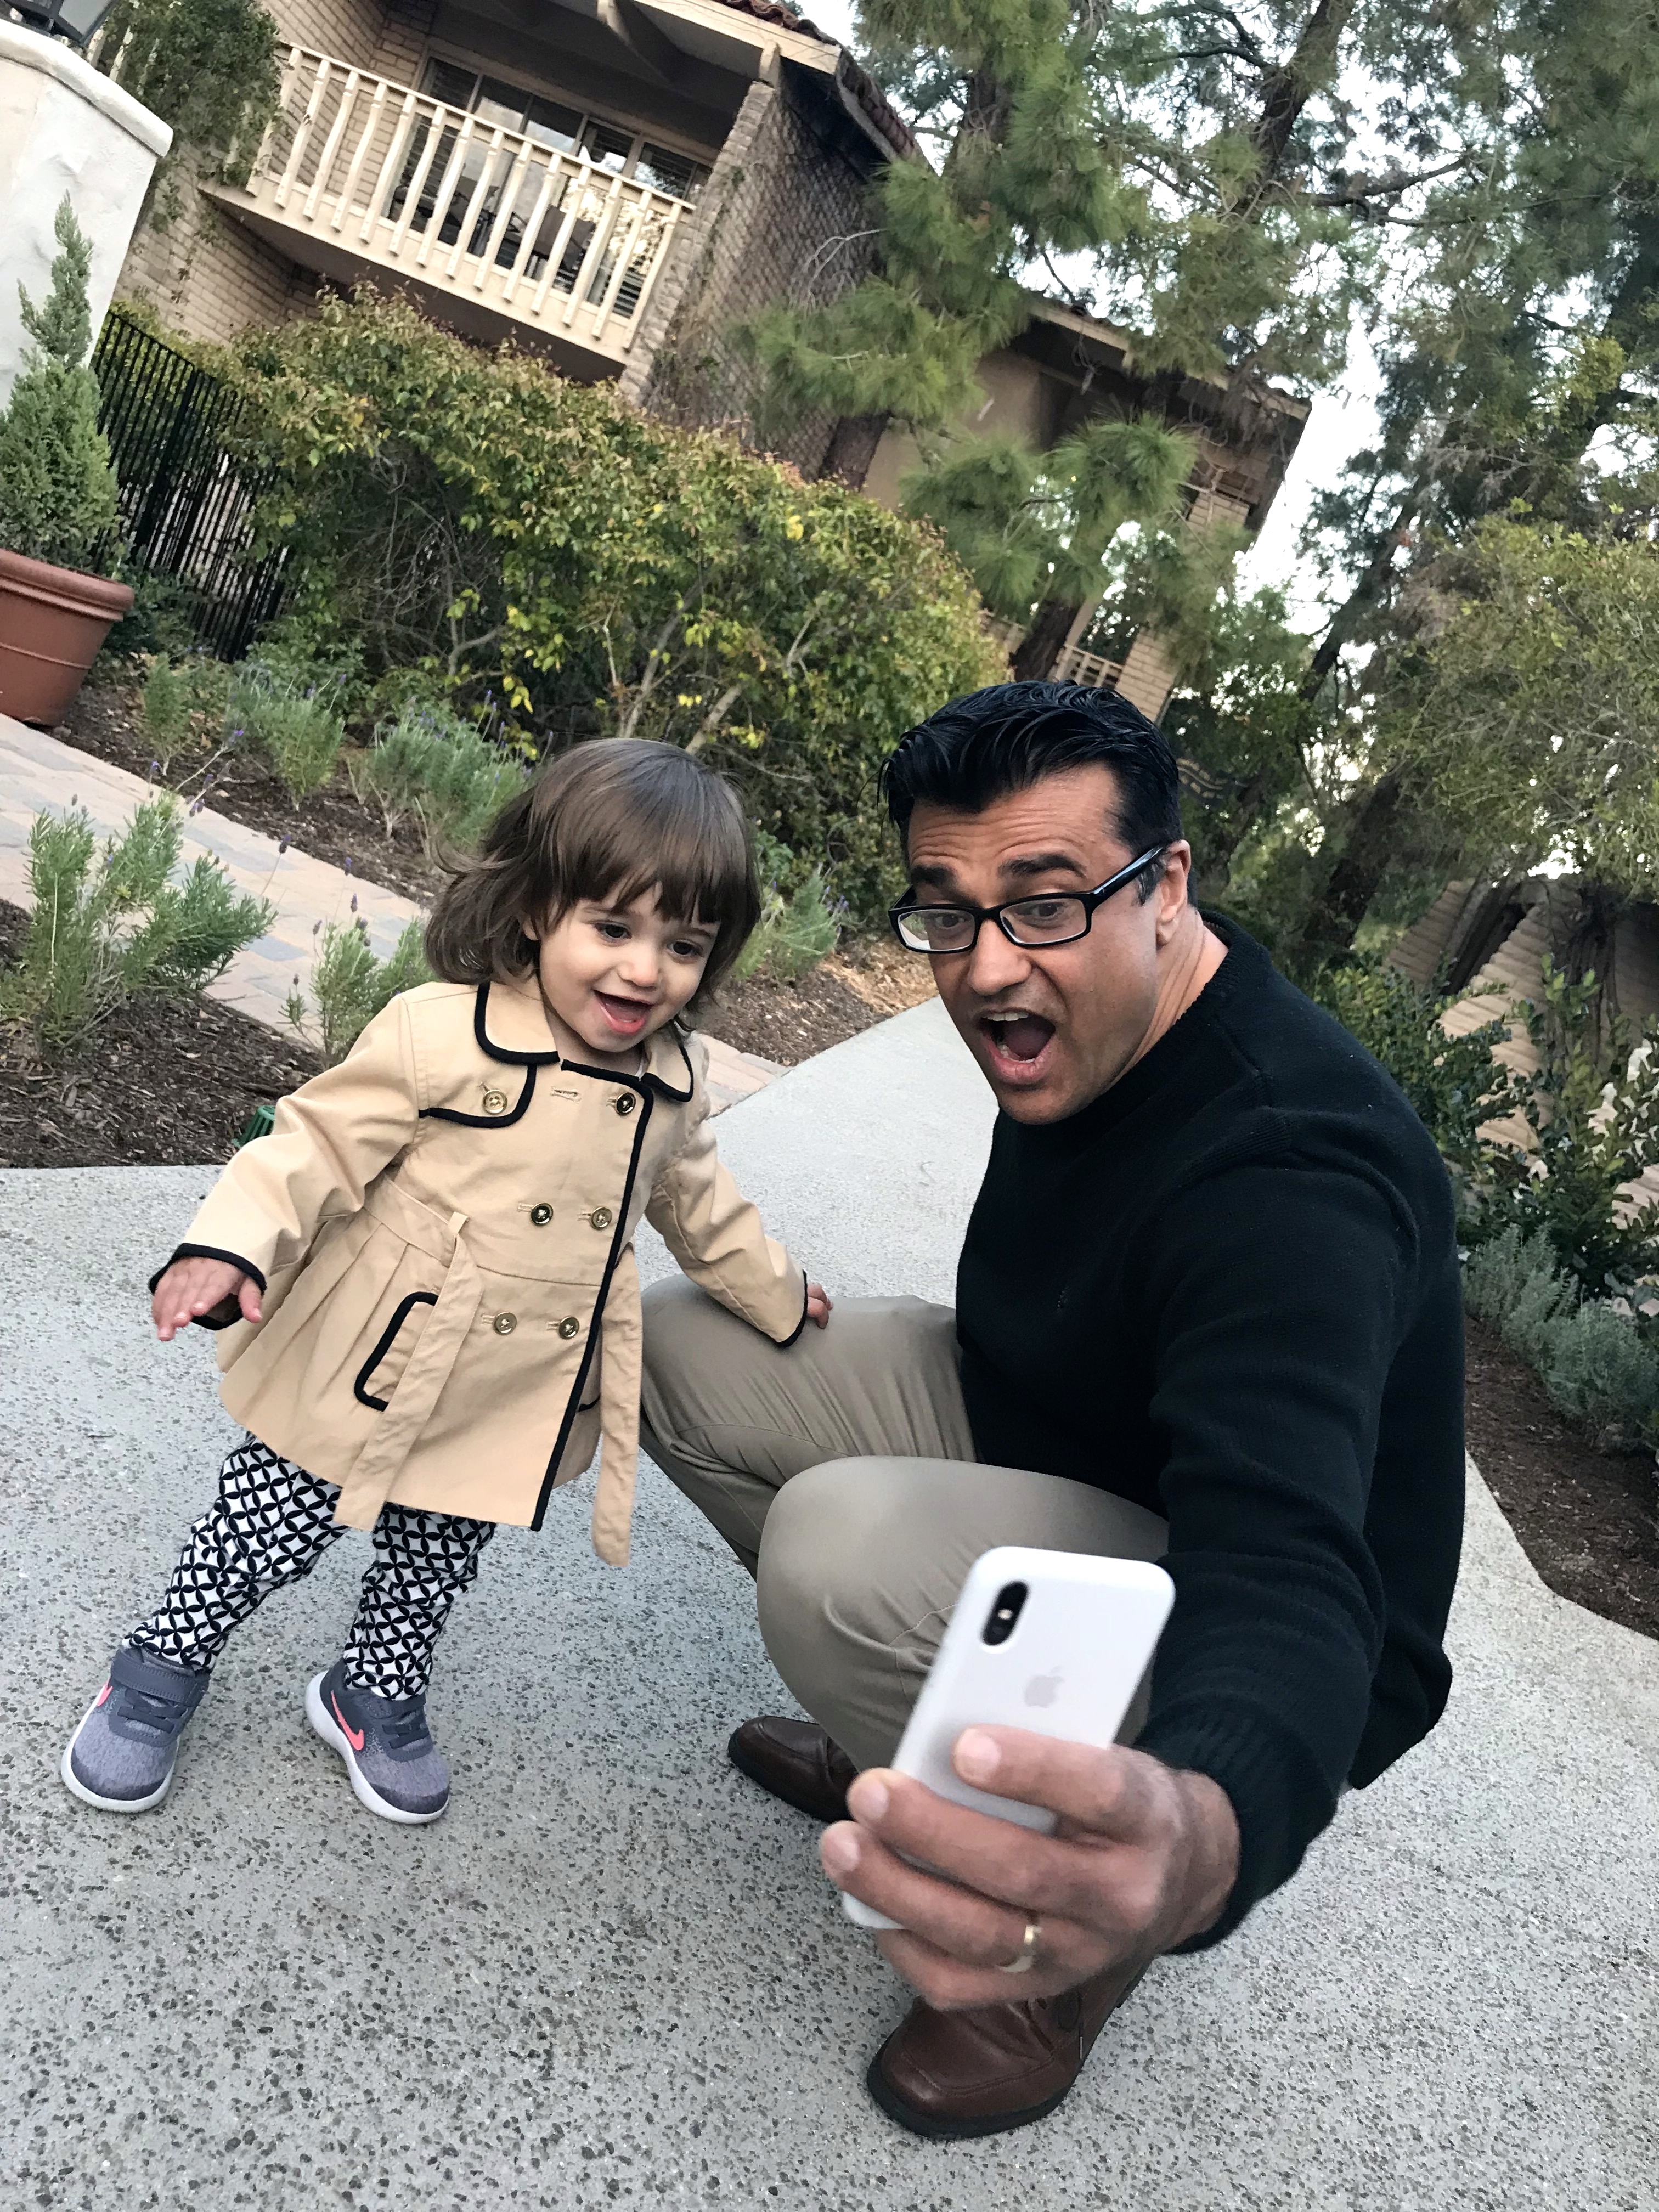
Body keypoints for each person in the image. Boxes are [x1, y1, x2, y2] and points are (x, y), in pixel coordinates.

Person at [639, 681, 1464, 2139]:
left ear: (1168, 887)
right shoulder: (1111, 996)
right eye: (949, 912)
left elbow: (1287, 1566)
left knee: (838, 1559)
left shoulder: (1291, 1179)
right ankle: (918, 1744)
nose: (989, 967)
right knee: (671, 1352)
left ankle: (1052, 1951)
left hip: (1233, 1559)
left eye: (1045, 902)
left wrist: (1201, 1834)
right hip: (1056, 1420)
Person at [61, 739, 830, 1826]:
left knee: (435, 1558)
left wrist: (781, 1296)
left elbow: (702, 1207)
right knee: (267, 1526)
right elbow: (312, 1147)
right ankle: (160, 1664)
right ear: (539, 910)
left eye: (684, 945)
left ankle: (370, 1688)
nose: (644, 970)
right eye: (613, 928)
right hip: (375, 1357)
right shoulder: (444, 1032)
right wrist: (228, 1247)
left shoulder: (672, 1082)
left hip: (511, 1391)